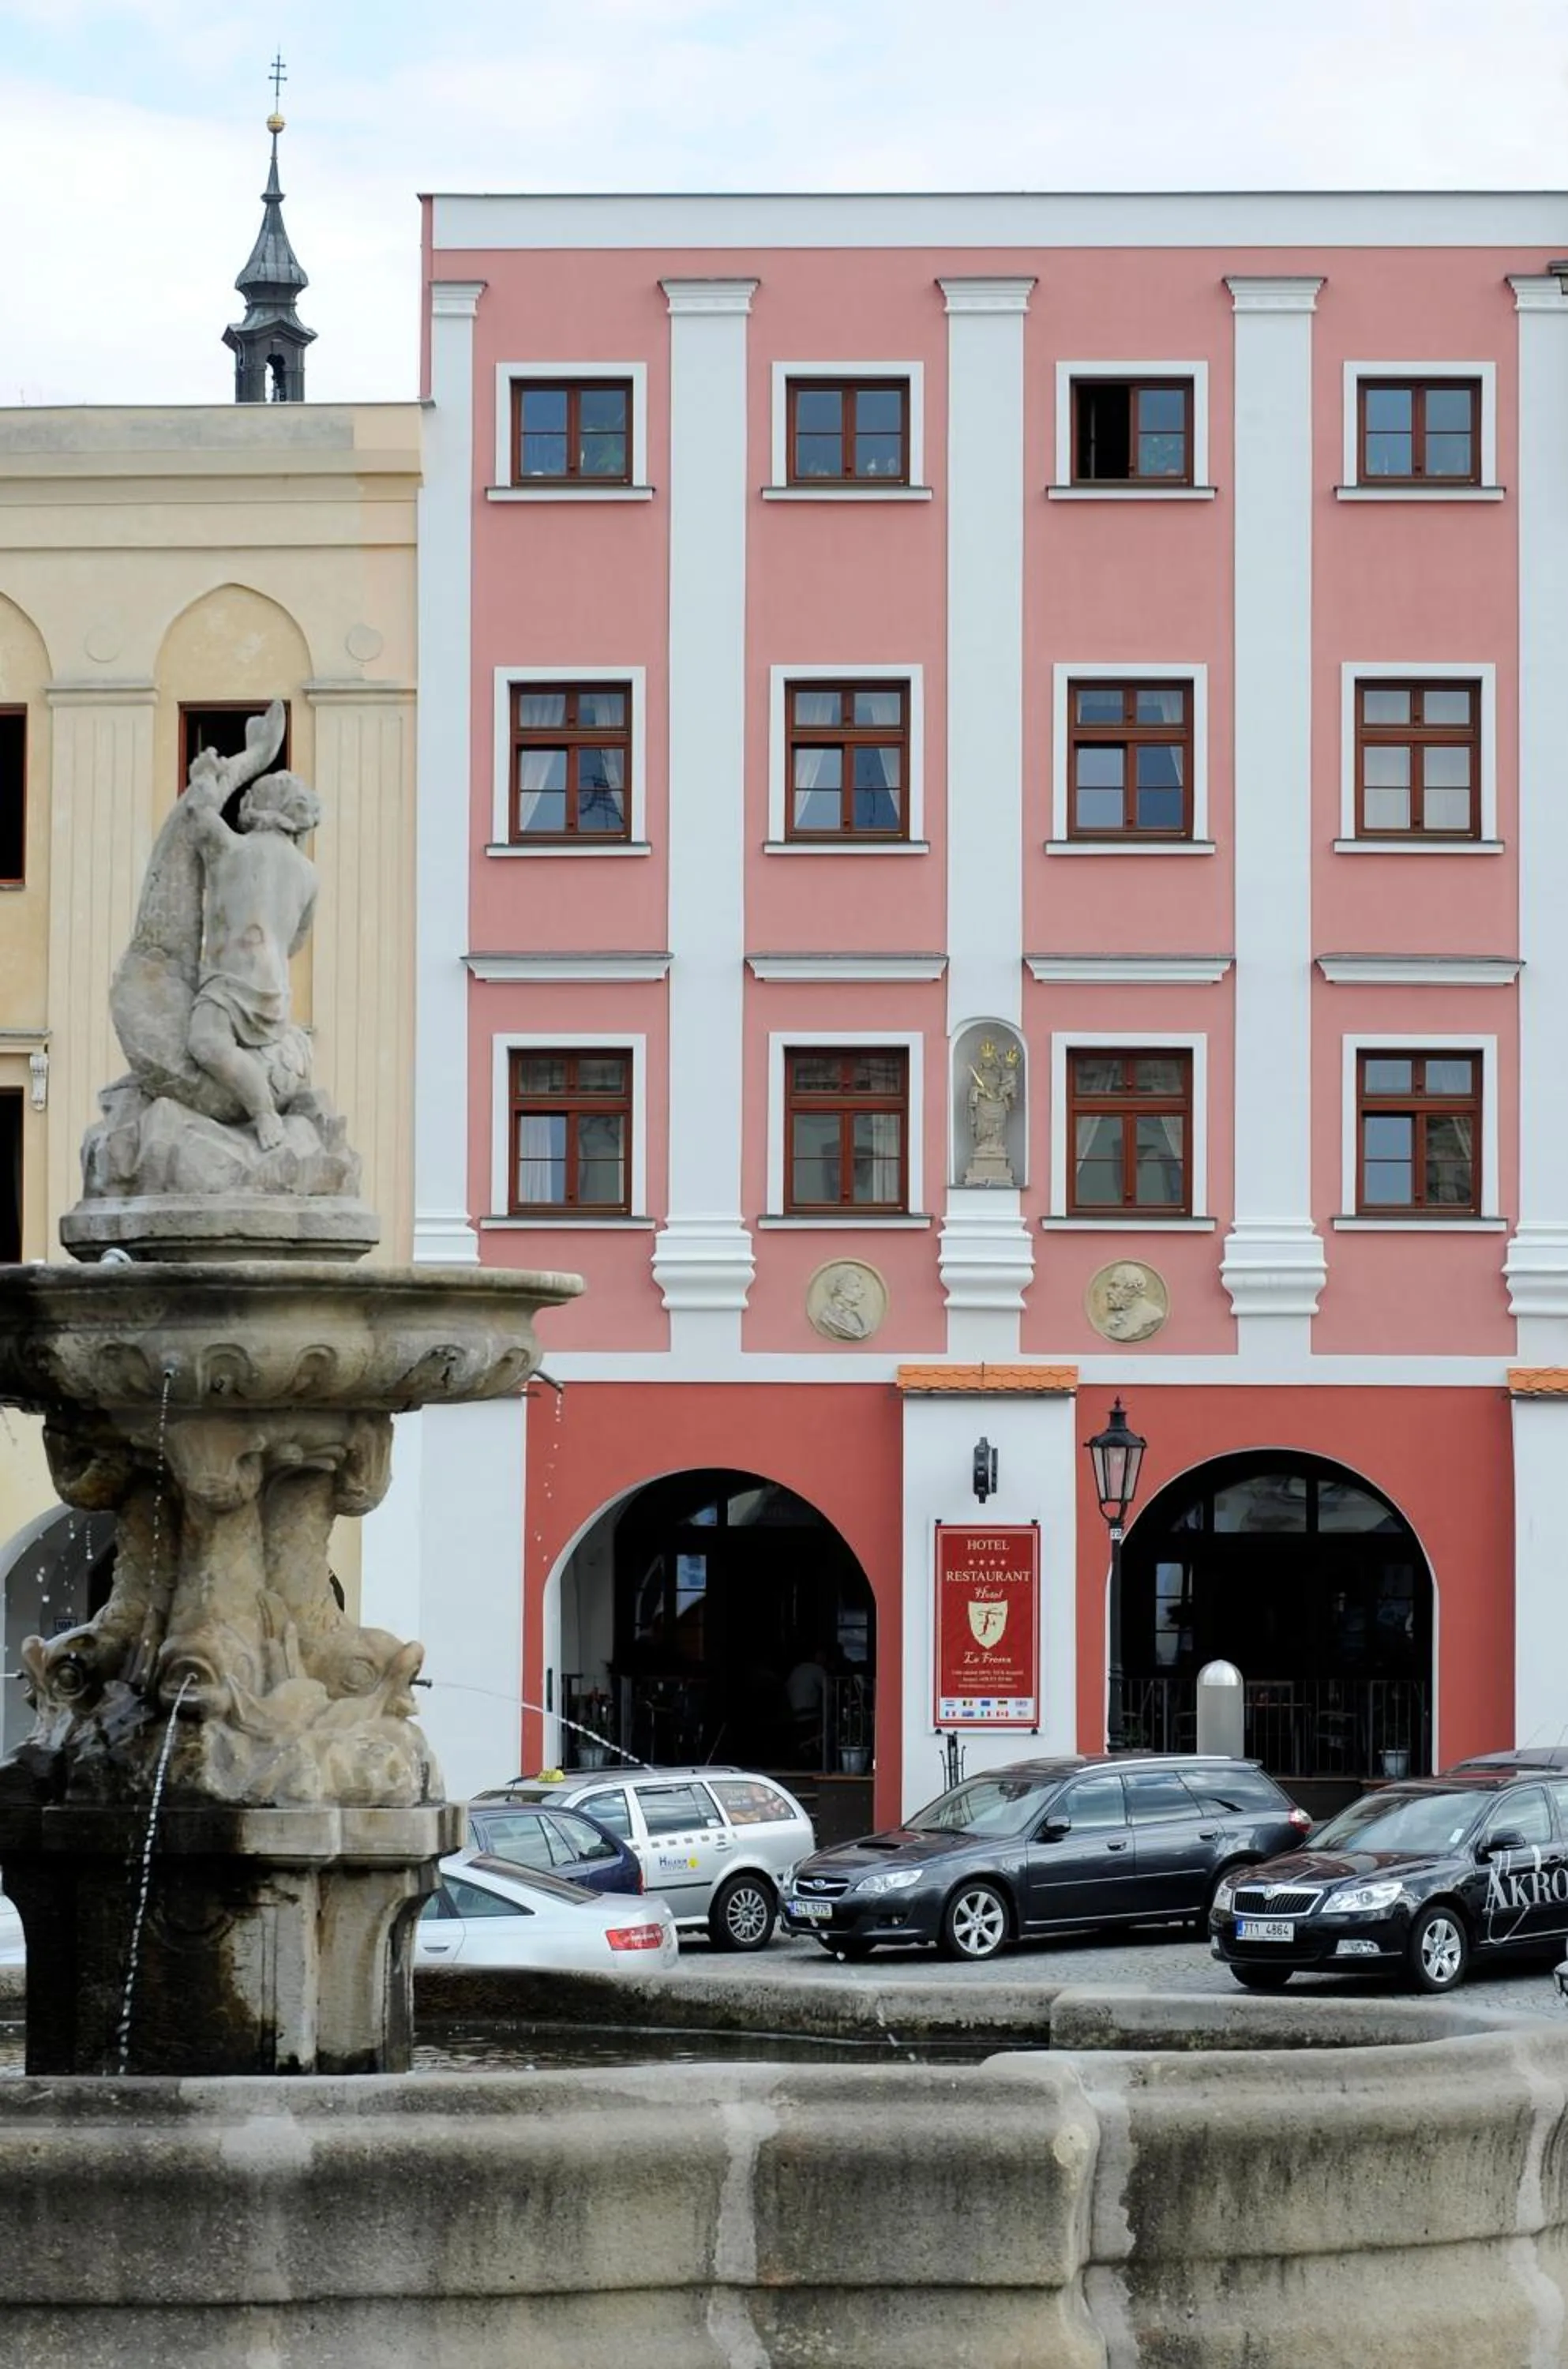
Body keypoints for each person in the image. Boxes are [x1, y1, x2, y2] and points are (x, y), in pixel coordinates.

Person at [786, 1643, 831, 1768]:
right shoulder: (816, 1670)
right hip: (809, 1714)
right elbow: (830, 1690)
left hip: (793, 1714)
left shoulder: (797, 1669)